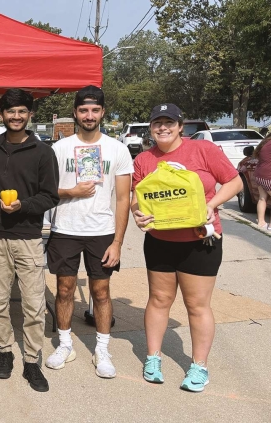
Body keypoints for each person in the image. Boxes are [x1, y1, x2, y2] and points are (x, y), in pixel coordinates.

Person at [132, 103, 242, 392]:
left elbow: (235, 182)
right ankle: (152, 358)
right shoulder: (144, 159)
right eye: (157, 123)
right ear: (151, 128)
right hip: (160, 242)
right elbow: (137, 196)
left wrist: (211, 204)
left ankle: (199, 367)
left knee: (197, 305)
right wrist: (137, 212)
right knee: (158, 299)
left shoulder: (203, 151)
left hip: (200, 240)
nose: (163, 127)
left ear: (181, 126)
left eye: (170, 122)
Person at [44, 86, 133, 380]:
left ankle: (102, 349)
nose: (89, 115)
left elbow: (122, 199)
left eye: (95, 110)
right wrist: (72, 191)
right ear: (75, 113)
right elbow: (46, 191)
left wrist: (118, 242)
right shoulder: (59, 148)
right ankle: (65, 344)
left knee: (101, 292)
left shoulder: (117, 149)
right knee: (65, 290)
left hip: (102, 231)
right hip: (65, 229)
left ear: (103, 112)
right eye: (84, 110)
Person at [0, 89, 59, 392]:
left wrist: (22, 206)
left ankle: (31, 360)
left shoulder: (42, 152)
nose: (16, 116)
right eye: (10, 111)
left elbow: (50, 195)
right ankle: (5, 353)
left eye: (22, 111)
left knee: (34, 304)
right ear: (2, 115)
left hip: (27, 237)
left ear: (29, 115)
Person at [250, 135, 271, 228]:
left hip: (259, 174)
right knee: (263, 198)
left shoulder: (265, 142)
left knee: (262, 198)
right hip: (268, 175)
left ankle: (261, 222)